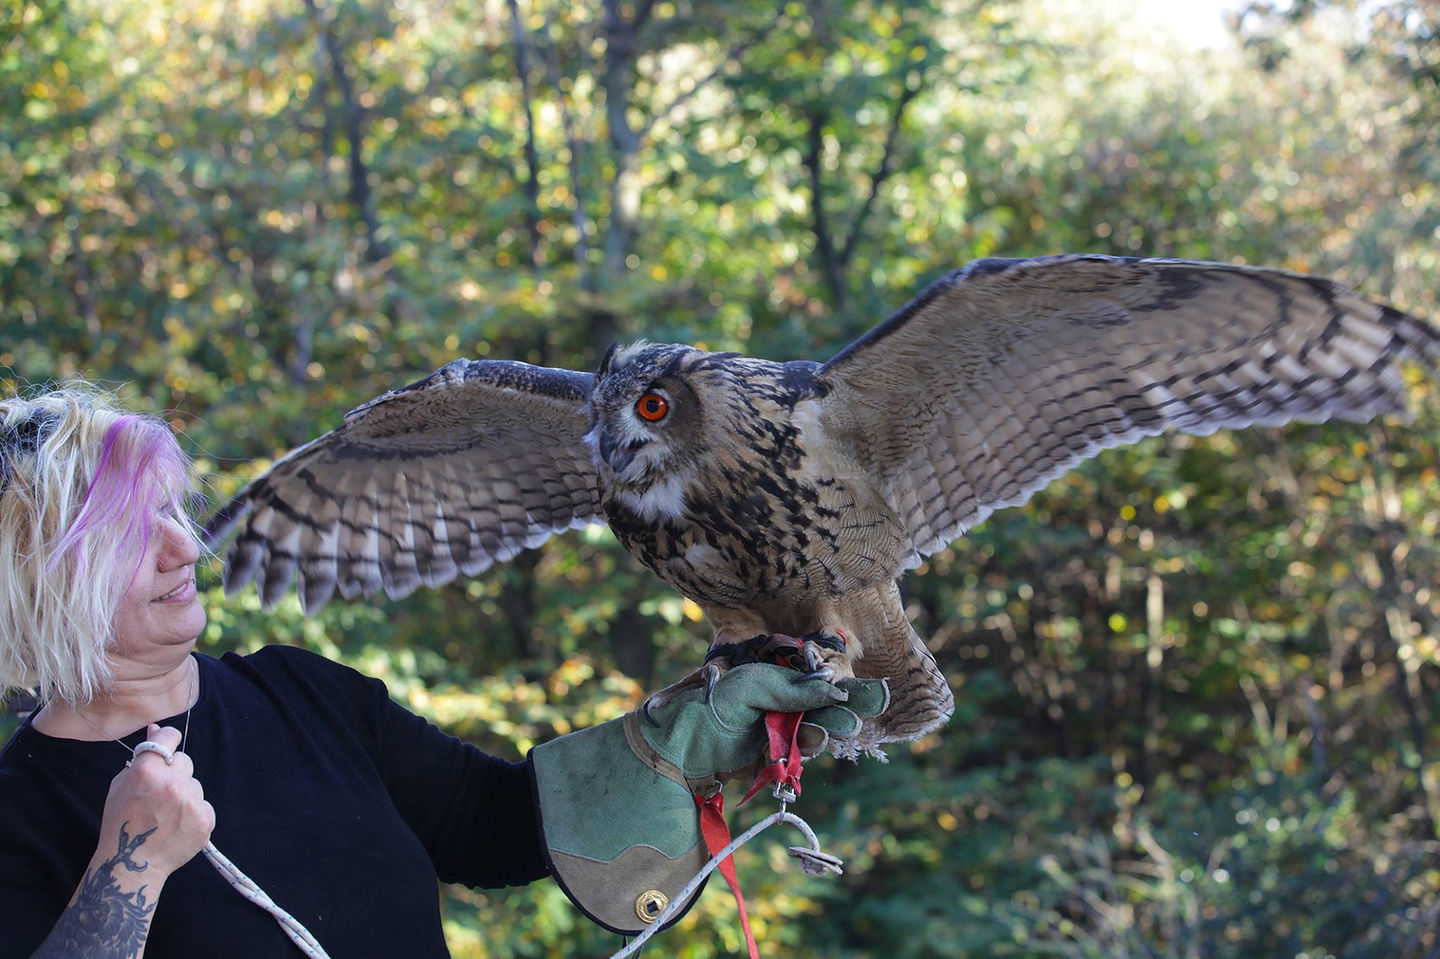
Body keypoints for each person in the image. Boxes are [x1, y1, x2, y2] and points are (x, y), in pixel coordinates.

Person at [0, 384, 886, 959]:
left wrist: (675, 741)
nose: (181, 545)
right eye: (127, 533)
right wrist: (129, 869)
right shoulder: (19, 811)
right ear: (34, 582)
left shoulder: (300, 692)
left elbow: (489, 824)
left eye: (172, 510)